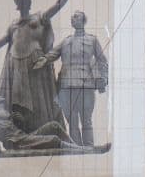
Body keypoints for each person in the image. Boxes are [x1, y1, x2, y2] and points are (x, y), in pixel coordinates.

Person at [0, 0, 92, 133]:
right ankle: (23, 135)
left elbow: (58, 5)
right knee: (18, 102)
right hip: (15, 65)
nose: (28, 1)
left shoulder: (39, 17)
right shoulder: (13, 25)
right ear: (19, 3)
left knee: (39, 102)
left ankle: (40, 134)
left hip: (35, 63)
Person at [33, 10, 108, 146]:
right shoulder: (66, 41)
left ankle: (89, 147)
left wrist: (103, 78)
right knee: (72, 120)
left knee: (86, 120)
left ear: (83, 21)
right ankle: (76, 147)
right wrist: (42, 60)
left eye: (76, 16)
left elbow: (102, 61)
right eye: (72, 17)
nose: (72, 18)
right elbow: (52, 54)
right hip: (66, 86)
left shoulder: (92, 40)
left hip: (85, 85)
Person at [0, 95, 91, 155]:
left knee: (54, 125)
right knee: (54, 139)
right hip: (15, 142)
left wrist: (20, 120)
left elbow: (18, 129)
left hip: (24, 137)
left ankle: (77, 147)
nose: (1, 96)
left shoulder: (6, 112)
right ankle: (82, 150)